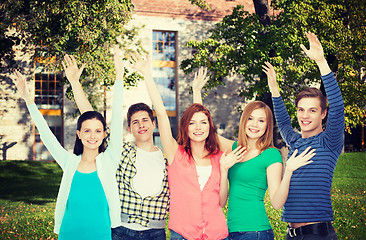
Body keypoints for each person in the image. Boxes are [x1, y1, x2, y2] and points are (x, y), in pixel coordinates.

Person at [12, 44, 125, 240]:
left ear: (105, 134)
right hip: (68, 233)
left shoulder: (110, 159)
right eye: (87, 130)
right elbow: (47, 135)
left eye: (98, 131)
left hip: (100, 234)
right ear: (79, 134)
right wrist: (29, 100)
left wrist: (119, 77)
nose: (93, 135)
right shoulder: (70, 162)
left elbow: (116, 119)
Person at [132, 54, 246, 240]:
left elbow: (221, 202)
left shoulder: (219, 157)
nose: (198, 127)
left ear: (210, 127)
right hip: (183, 234)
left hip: (217, 234)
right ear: (185, 127)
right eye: (192, 123)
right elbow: (161, 113)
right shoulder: (175, 154)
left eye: (203, 123)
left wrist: (224, 170)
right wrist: (147, 74)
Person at [193, 69, 316, 240]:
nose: (254, 124)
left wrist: (288, 172)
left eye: (261, 120)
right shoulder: (235, 148)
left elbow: (276, 202)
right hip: (230, 231)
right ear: (244, 120)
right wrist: (196, 92)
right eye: (250, 118)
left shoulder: (270, 155)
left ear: (267, 125)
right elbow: (206, 130)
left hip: (255, 231)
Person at [63, 51, 169, 239]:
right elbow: (92, 119)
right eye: (135, 122)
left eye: (145, 120)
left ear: (154, 124)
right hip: (122, 230)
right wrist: (75, 83)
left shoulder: (168, 157)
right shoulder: (121, 152)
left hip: (156, 232)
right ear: (129, 128)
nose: (141, 125)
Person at [263, 32, 344, 239]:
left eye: (312, 110)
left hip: (317, 234)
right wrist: (274, 88)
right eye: (301, 110)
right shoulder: (295, 141)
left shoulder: (329, 141)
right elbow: (282, 121)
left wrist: (321, 61)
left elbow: (338, 105)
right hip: (292, 234)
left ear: (323, 113)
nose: (305, 116)